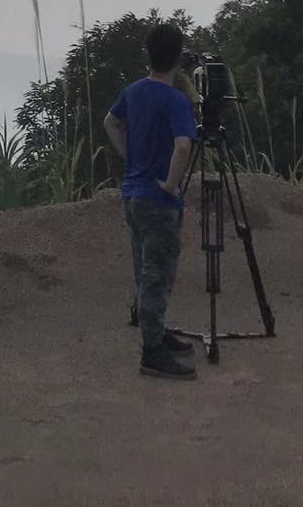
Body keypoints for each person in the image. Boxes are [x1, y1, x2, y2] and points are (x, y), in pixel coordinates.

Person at [103, 23, 199, 380]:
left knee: (145, 267)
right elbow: (184, 145)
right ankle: (152, 352)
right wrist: (172, 185)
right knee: (158, 272)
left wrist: (130, 157)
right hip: (157, 199)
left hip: (132, 194)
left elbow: (110, 122)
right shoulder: (175, 100)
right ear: (178, 57)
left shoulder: (134, 92)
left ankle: (157, 333)